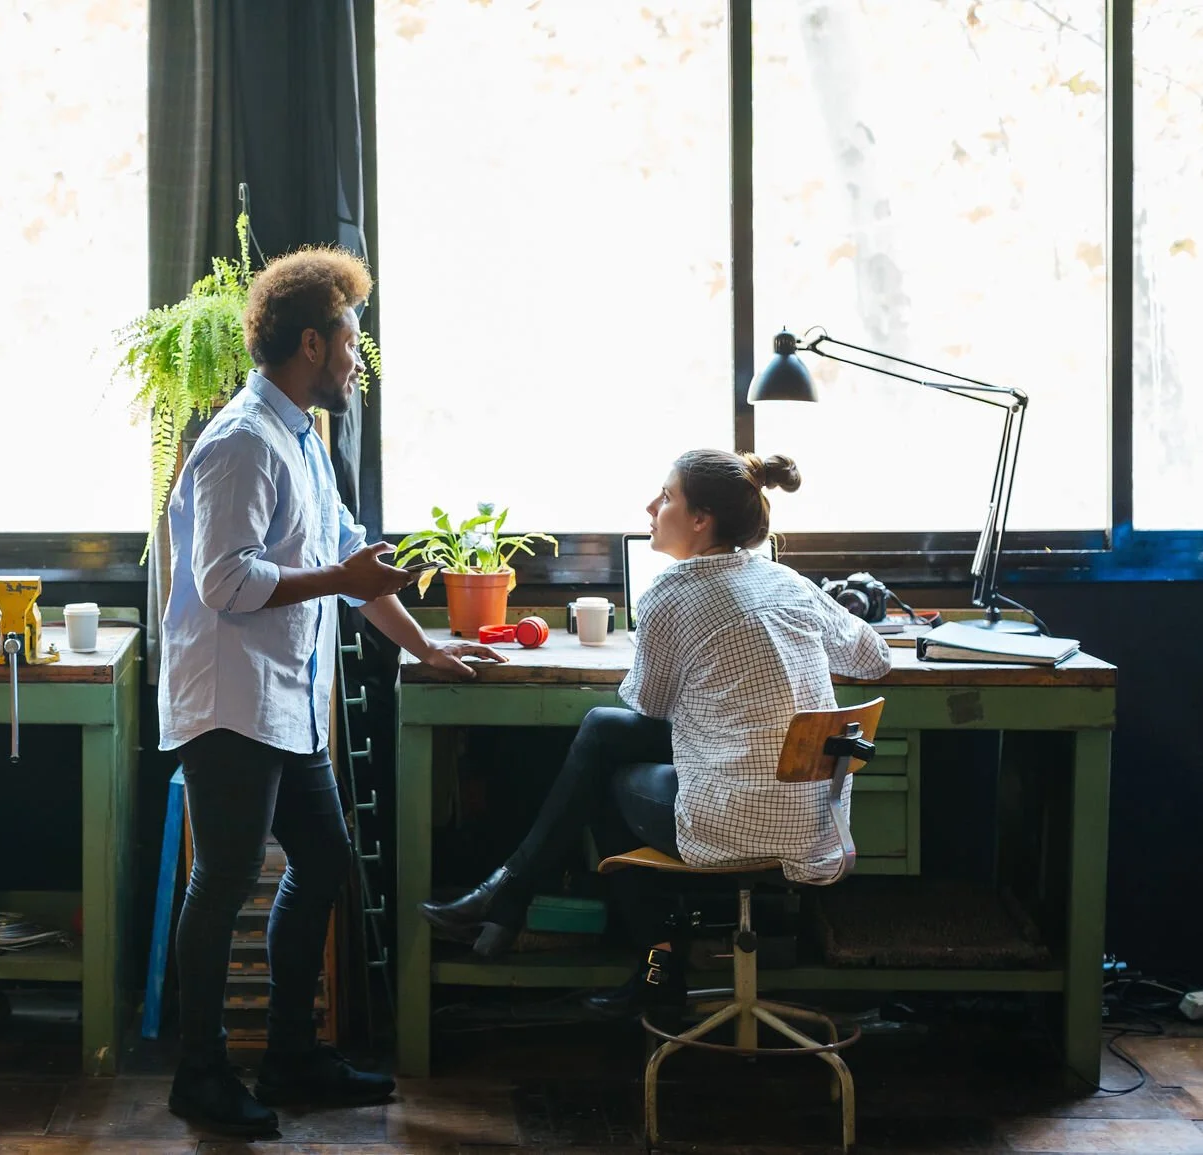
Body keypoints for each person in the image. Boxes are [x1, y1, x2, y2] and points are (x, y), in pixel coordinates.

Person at [159, 246, 504, 1136]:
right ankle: (198, 1075)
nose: (359, 357)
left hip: (283, 699)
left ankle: (288, 1056)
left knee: (324, 864)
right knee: (224, 877)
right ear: (312, 342)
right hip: (232, 701)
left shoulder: (300, 438)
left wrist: (425, 648)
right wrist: (336, 575)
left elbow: (355, 571)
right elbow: (229, 580)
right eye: (351, 339)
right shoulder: (238, 443)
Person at [418, 449, 892, 1018]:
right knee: (604, 735)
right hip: (815, 821)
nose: (651, 505)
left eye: (666, 496)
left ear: (701, 520)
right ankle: (518, 902)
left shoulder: (670, 592)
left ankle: (623, 954)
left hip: (733, 824)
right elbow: (876, 657)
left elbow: (650, 704)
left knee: (603, 756)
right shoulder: (785, 580)